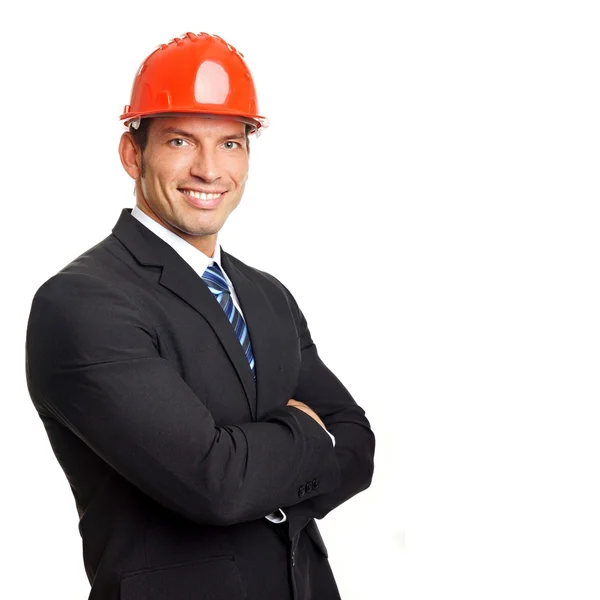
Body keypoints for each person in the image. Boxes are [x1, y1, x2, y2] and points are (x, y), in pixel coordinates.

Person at [25, 31, 375, 600]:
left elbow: (357, 445)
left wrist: (249, 454)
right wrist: (308, 435)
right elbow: (217, 485)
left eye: (230, 144)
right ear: (132, 153)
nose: (209, 170)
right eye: (182, 140)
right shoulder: (82, 304)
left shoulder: (267, 296)